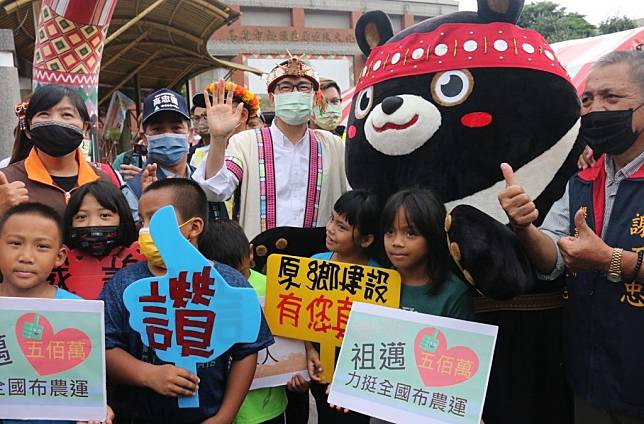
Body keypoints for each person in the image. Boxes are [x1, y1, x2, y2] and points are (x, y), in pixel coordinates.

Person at [498, 50, 644, 423]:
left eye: (612, 98)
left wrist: (611, 259)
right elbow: (552, 258)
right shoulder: (581, 181)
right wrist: (524, 226)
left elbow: (601, 257)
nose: (596, 110)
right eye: (588, 100)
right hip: (591, 378)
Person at [100, 178, 274, 423]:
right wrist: (148, 374)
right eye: (142, 219)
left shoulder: (229, 283)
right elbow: (104, 345)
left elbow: (246, 351)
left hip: (206, 415)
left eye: (156, 218)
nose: (145, 229)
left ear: (194, 227)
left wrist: (225, 416)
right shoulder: (124, 283)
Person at [193, 56, 348, 240]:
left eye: (304, 87)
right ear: (272, 98)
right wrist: (218, 139)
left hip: (317, 261)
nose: (295, 92)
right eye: (286, 87)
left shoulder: (334, 145)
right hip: (259, 260)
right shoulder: (245, 143)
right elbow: (215, 190)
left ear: (314, 97)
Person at [0, 202, 115, 424]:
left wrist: (98, 409)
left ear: (60, 256)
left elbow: (87, 384)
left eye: (41, 247)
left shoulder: (77, 312)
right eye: (15, 243)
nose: (26, 256)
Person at [297, 190, 382, 424]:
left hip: (357, 379)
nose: (330, 228)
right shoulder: (315, 263)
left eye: (342, 227)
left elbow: (377, 339)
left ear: (366, 239)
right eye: (332, 219)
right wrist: (309, 351)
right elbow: (300, 317)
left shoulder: (379, 279)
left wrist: (349, 378)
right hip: (319, 368)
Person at [201, 219, 288, 424]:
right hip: (216, 406)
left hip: (265, 406)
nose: (234, 283)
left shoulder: (274, 288)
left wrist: (300, 367)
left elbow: (296, 338)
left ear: (250, 253)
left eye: (239, 275)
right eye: (224, 277)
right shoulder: (197, 294)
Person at [0, 85, 114, 218]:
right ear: (28, 130)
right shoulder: (7, 181)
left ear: (85, 128)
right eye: (44, 114)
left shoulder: (102, 179)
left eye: (66, 114)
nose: (55, 120)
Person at [125, 88, 228, 222]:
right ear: (144, 138)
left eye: (176, 128)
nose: (168, 135)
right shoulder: (133, 192)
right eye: (157, 129)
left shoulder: (206, 183)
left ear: (190, 134)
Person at [382, 188, 475, 320]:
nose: (397, 242)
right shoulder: (374, 282)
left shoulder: (454, 294)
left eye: (410, 233)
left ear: (433, 236)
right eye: (390, 232)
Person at [48, 181, 143, 299]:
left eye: (104, 215)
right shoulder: (53, 264)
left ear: (122, 218)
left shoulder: (143, 260)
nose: (93, 224)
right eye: (82, 217)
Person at [189, 82, 261, 168]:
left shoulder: (261, 152)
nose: (213, 117)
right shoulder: (199, 156)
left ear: (243, 115)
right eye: (211, 111)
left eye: (221, 111)